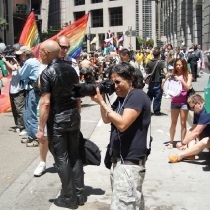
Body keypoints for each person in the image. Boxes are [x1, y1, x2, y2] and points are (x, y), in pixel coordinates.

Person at [90, 62, 151, 210]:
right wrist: (101, 100)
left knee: (124, 205)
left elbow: (122, 124)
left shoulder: (136, 95)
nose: (115, 86)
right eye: (113, 82)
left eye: (118, 82)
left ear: (130, 79)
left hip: (129, 163)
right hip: (120, 162)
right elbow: (106, 119)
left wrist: (103, 105)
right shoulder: (122, 98)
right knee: (129, 203)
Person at [36, 40, 84, 209]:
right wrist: (77, 114)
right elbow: (78, 96)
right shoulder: (71, 70)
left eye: (41, 51)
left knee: (61, 158)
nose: (39, 54)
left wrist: (41, 129)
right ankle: (79, 194)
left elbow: (46, 103)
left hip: (58, 120)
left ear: (47, 53)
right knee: (75, 154)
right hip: (72, 116)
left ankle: (70, 198)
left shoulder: (47, 73)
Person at [168, 94, 210, 163]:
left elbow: (197, 132)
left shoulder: (206, 112)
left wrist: (183, 143)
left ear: (199, 104)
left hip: (207, 138)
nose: (192, 110)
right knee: (190, 129)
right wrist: (185, 142)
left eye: (193, 107)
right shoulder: (197, 112)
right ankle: (191, 153)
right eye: (191, 108)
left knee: (205, 141)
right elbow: (193, 129)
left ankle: (179, 156)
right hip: (206, 133)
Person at [162, 58, 193, 149]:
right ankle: (171, 141)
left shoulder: (188, 74)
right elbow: (163, 88)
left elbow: (187, 88)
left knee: (183, 123)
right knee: (173, 123)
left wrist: (181, 80)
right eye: (177, 65)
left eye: (180, 64)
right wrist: (165, 79)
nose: (178, 67)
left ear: (184, 64)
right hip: (174, 102)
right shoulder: (172, 75)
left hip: (184, 102)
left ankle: (183, 142)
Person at [17, 46, 41, 146]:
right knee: (27, 113)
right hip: (32, 89)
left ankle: (35, 138)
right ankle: (31, 136)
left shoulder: (29, 62)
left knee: (30, 114)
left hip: (32, 89)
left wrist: (19, 66)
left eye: (21, 54)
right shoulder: (35, 61)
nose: (19, 56)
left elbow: (21, 75)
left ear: (25, 54)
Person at [1, 43, 26, 134]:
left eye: (15, 51)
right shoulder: (13, 61)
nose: (14, 53)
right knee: (15, 109)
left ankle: (23, 127)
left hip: (19, 89)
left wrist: (6, 61)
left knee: (20, 109)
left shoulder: (22, 62)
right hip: (13, 88)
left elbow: (14, 68)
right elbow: (10, 71)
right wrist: (7, 61)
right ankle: (18, 125)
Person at [146, 48, 167, 115]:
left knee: (149, 96)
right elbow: (165, 72)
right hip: (158, 82)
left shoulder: (149, 62)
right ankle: (156, 111)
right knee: (157, 98)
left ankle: (147, 110)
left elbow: (147, 71)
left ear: (153, 55)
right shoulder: (160, 62)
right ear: (159, 55)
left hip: (150, 82)